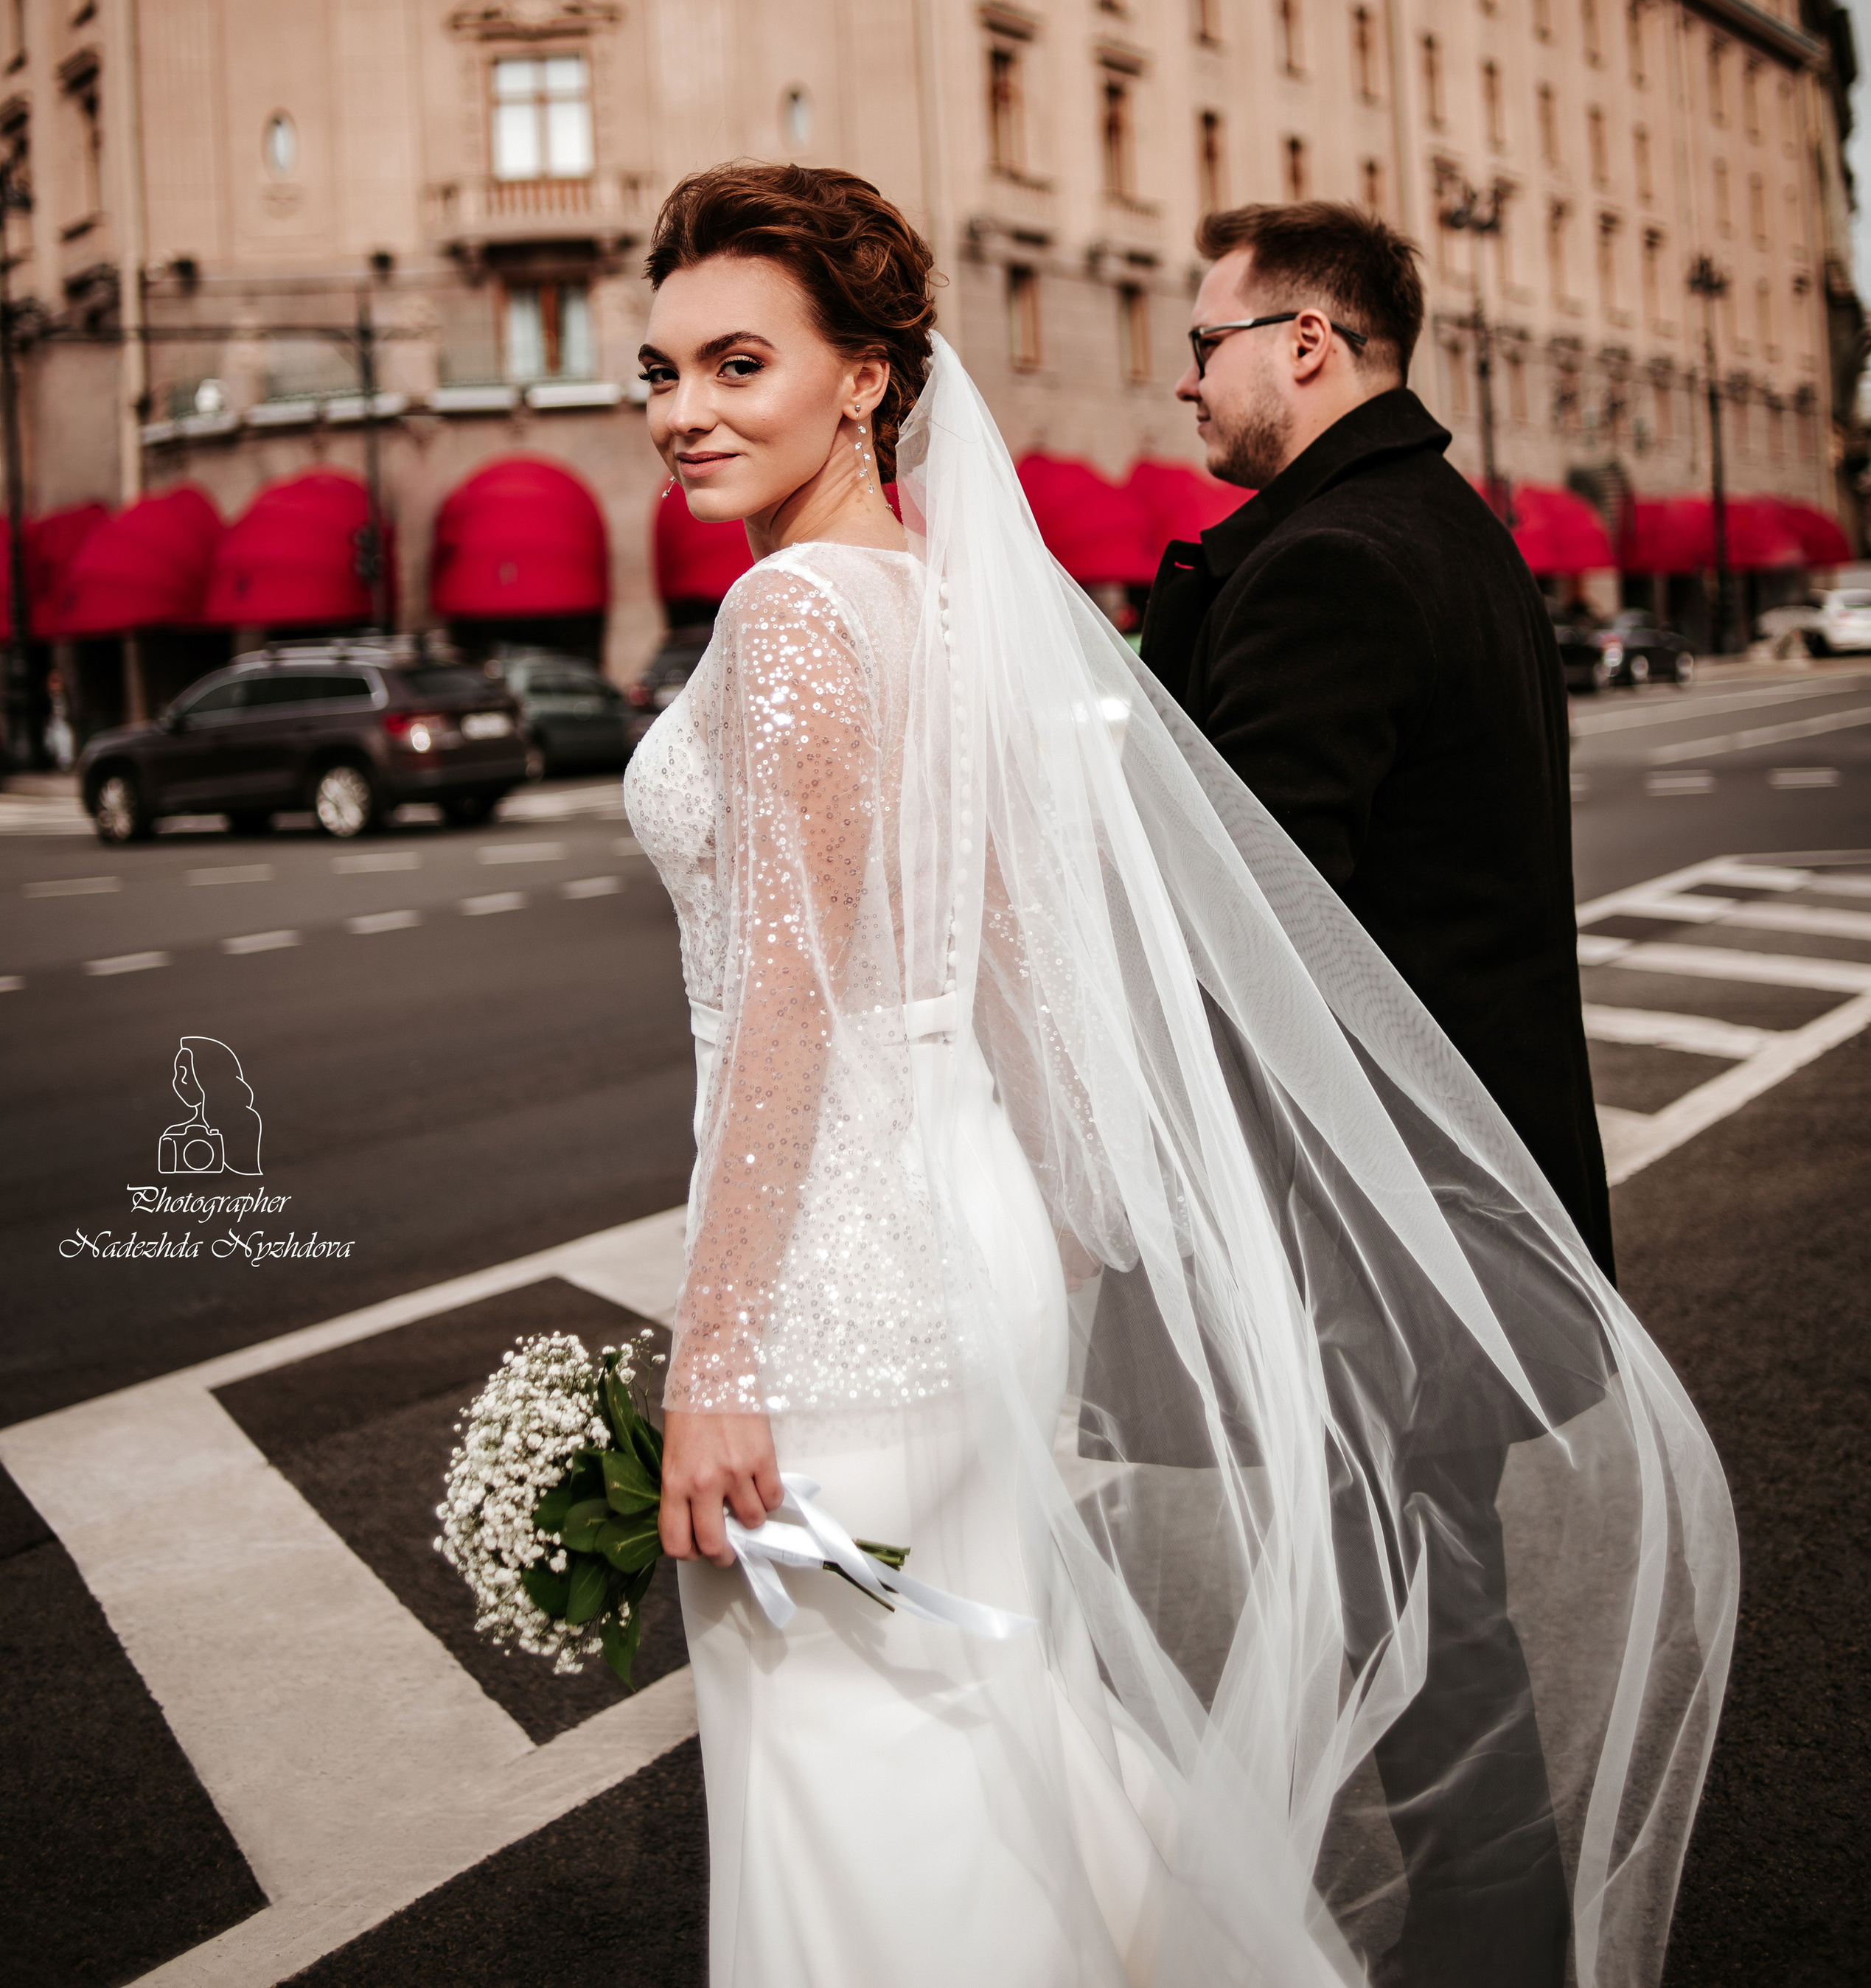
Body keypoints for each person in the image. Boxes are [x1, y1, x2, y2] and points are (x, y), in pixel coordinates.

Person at [626, 161, 1733, 1988]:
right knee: (980, 1705)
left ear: (863, 380)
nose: (681, 413)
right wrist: (1068, 1217)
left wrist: (717, 1342)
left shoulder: (795, 618)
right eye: (657, 375)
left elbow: (790, 1015)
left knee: (860, 1752)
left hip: (859, 1257)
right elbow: (1005, 950)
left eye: (734, 363)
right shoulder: (962, 604)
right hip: (975, 1233)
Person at [1137, 198, 1611, 1981]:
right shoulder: (1450, 531)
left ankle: (1495, 1945)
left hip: (1381, 1209)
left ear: (1305, 346)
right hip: (1465, 1184)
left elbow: (1260, 916)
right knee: (1416, 1592)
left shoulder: (1327, 560)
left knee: (1417, 1601)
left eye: (1205, 345)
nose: (1183, 386)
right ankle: (1493, 1928)